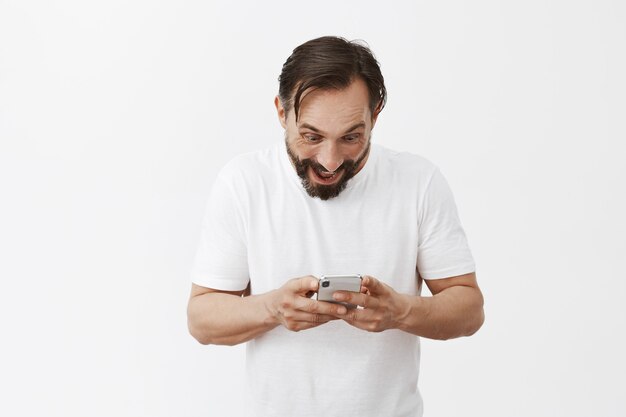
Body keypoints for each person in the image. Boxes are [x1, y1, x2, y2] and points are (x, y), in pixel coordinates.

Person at [187, 36, 484, 417]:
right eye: (311, 137)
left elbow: (469, 308)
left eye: (350, 138)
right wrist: (272, 308)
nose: (329, 161)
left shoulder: (418, 181)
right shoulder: (244, 183)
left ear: (374, 116)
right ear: (282, 113)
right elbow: (202, 319)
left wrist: (400, 312)